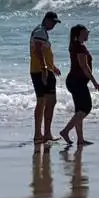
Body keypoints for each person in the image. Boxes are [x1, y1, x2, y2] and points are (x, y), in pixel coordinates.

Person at [59, 24, 99, 147]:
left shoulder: (75, 45)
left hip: (75, 81)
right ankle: (65, 131)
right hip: (76, 81)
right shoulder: (80, 48)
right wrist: (94, 81)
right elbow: (84, 66)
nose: (88, 34)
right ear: (79, 34)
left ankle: (80, 140)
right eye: (86, 32)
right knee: (86, 108)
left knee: (79, 111)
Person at [29, 11, 62, 144]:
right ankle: (43, 133)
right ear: (46, 20)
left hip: (42, 70)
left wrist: (53, 67)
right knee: (47, 102)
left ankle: (41, 134)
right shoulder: (40, 31)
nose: (54, 25)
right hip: (41, 71)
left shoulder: (40, 31)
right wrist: (44, 69)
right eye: (53, 22)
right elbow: (37, 49)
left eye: (55, 23)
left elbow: (43, 52)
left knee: (44, 102)